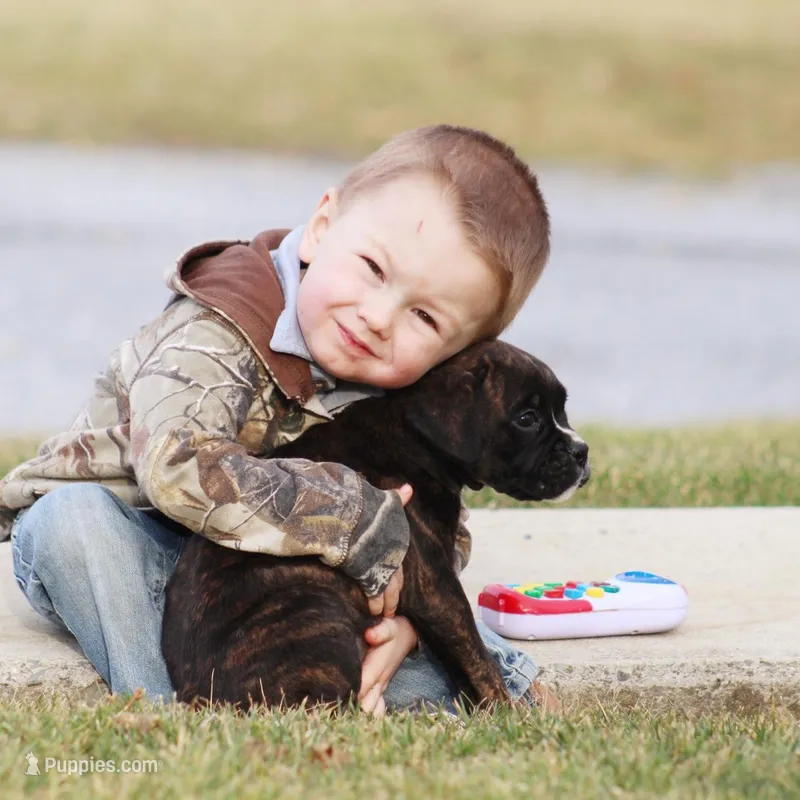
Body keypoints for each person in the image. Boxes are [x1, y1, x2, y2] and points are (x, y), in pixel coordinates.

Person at [1, 124, 553, 715]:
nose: (378, 317)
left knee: (407, 620)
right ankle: (159, 702)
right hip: (140, 546)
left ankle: (410, 677)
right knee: (70, 524)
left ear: (460, 351)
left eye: (425, 317)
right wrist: (350, 516)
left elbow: (435, 531)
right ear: (322, 228)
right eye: (373, 268)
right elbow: (174, 465)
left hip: (266, 599)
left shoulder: (404, 384)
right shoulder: (216, 328)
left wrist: (406, 623)